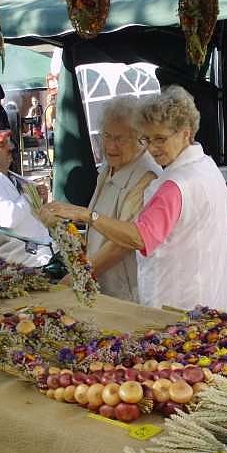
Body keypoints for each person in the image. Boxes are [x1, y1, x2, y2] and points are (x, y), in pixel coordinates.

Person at [48, 85, 227, 312]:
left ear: (186, 133)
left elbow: (141, 238)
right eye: (147, 139)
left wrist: (86, 215)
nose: (153, 148)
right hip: (207, 298)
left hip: (178, 306)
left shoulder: (174, 184)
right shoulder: (206, 165)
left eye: (160, 138)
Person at [84, 97, 161, 301]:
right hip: (102, 284)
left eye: (120, 139)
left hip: (127, 291)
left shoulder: (146, 176)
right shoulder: (107, 168)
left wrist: (79, 276)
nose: (111, 146)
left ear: (140, 139)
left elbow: (121, 244)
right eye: (107, 136)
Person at [0, 129, 59, 267]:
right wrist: (30, 196)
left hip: (43, 247)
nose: (10, 148)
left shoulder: (10, 176)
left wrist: (41, 199)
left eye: (8, 144)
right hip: (28, 256)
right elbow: (9, 218)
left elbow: (29, 210)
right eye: (2, 146)